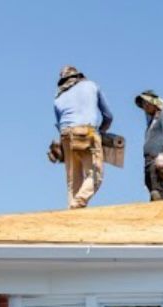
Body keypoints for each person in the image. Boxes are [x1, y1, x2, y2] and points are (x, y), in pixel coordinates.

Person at [53, 65, 112, 209]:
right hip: (87, 131)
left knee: (73, 179)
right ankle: (78, 202)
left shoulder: (58, 97)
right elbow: (108, 116)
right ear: (79, 76)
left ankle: (73, 212)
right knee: (95, 175)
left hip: (66, 135)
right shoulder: (91, 86)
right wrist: (102, 131)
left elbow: (59, 123)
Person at [134, 89, 163, 201]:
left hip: (159, 160)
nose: (145, 106)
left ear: (154, 103)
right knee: (152, 191)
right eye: (143, 104)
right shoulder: (151, 122)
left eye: (147, 103)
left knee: (157, 192)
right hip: (149, 162)